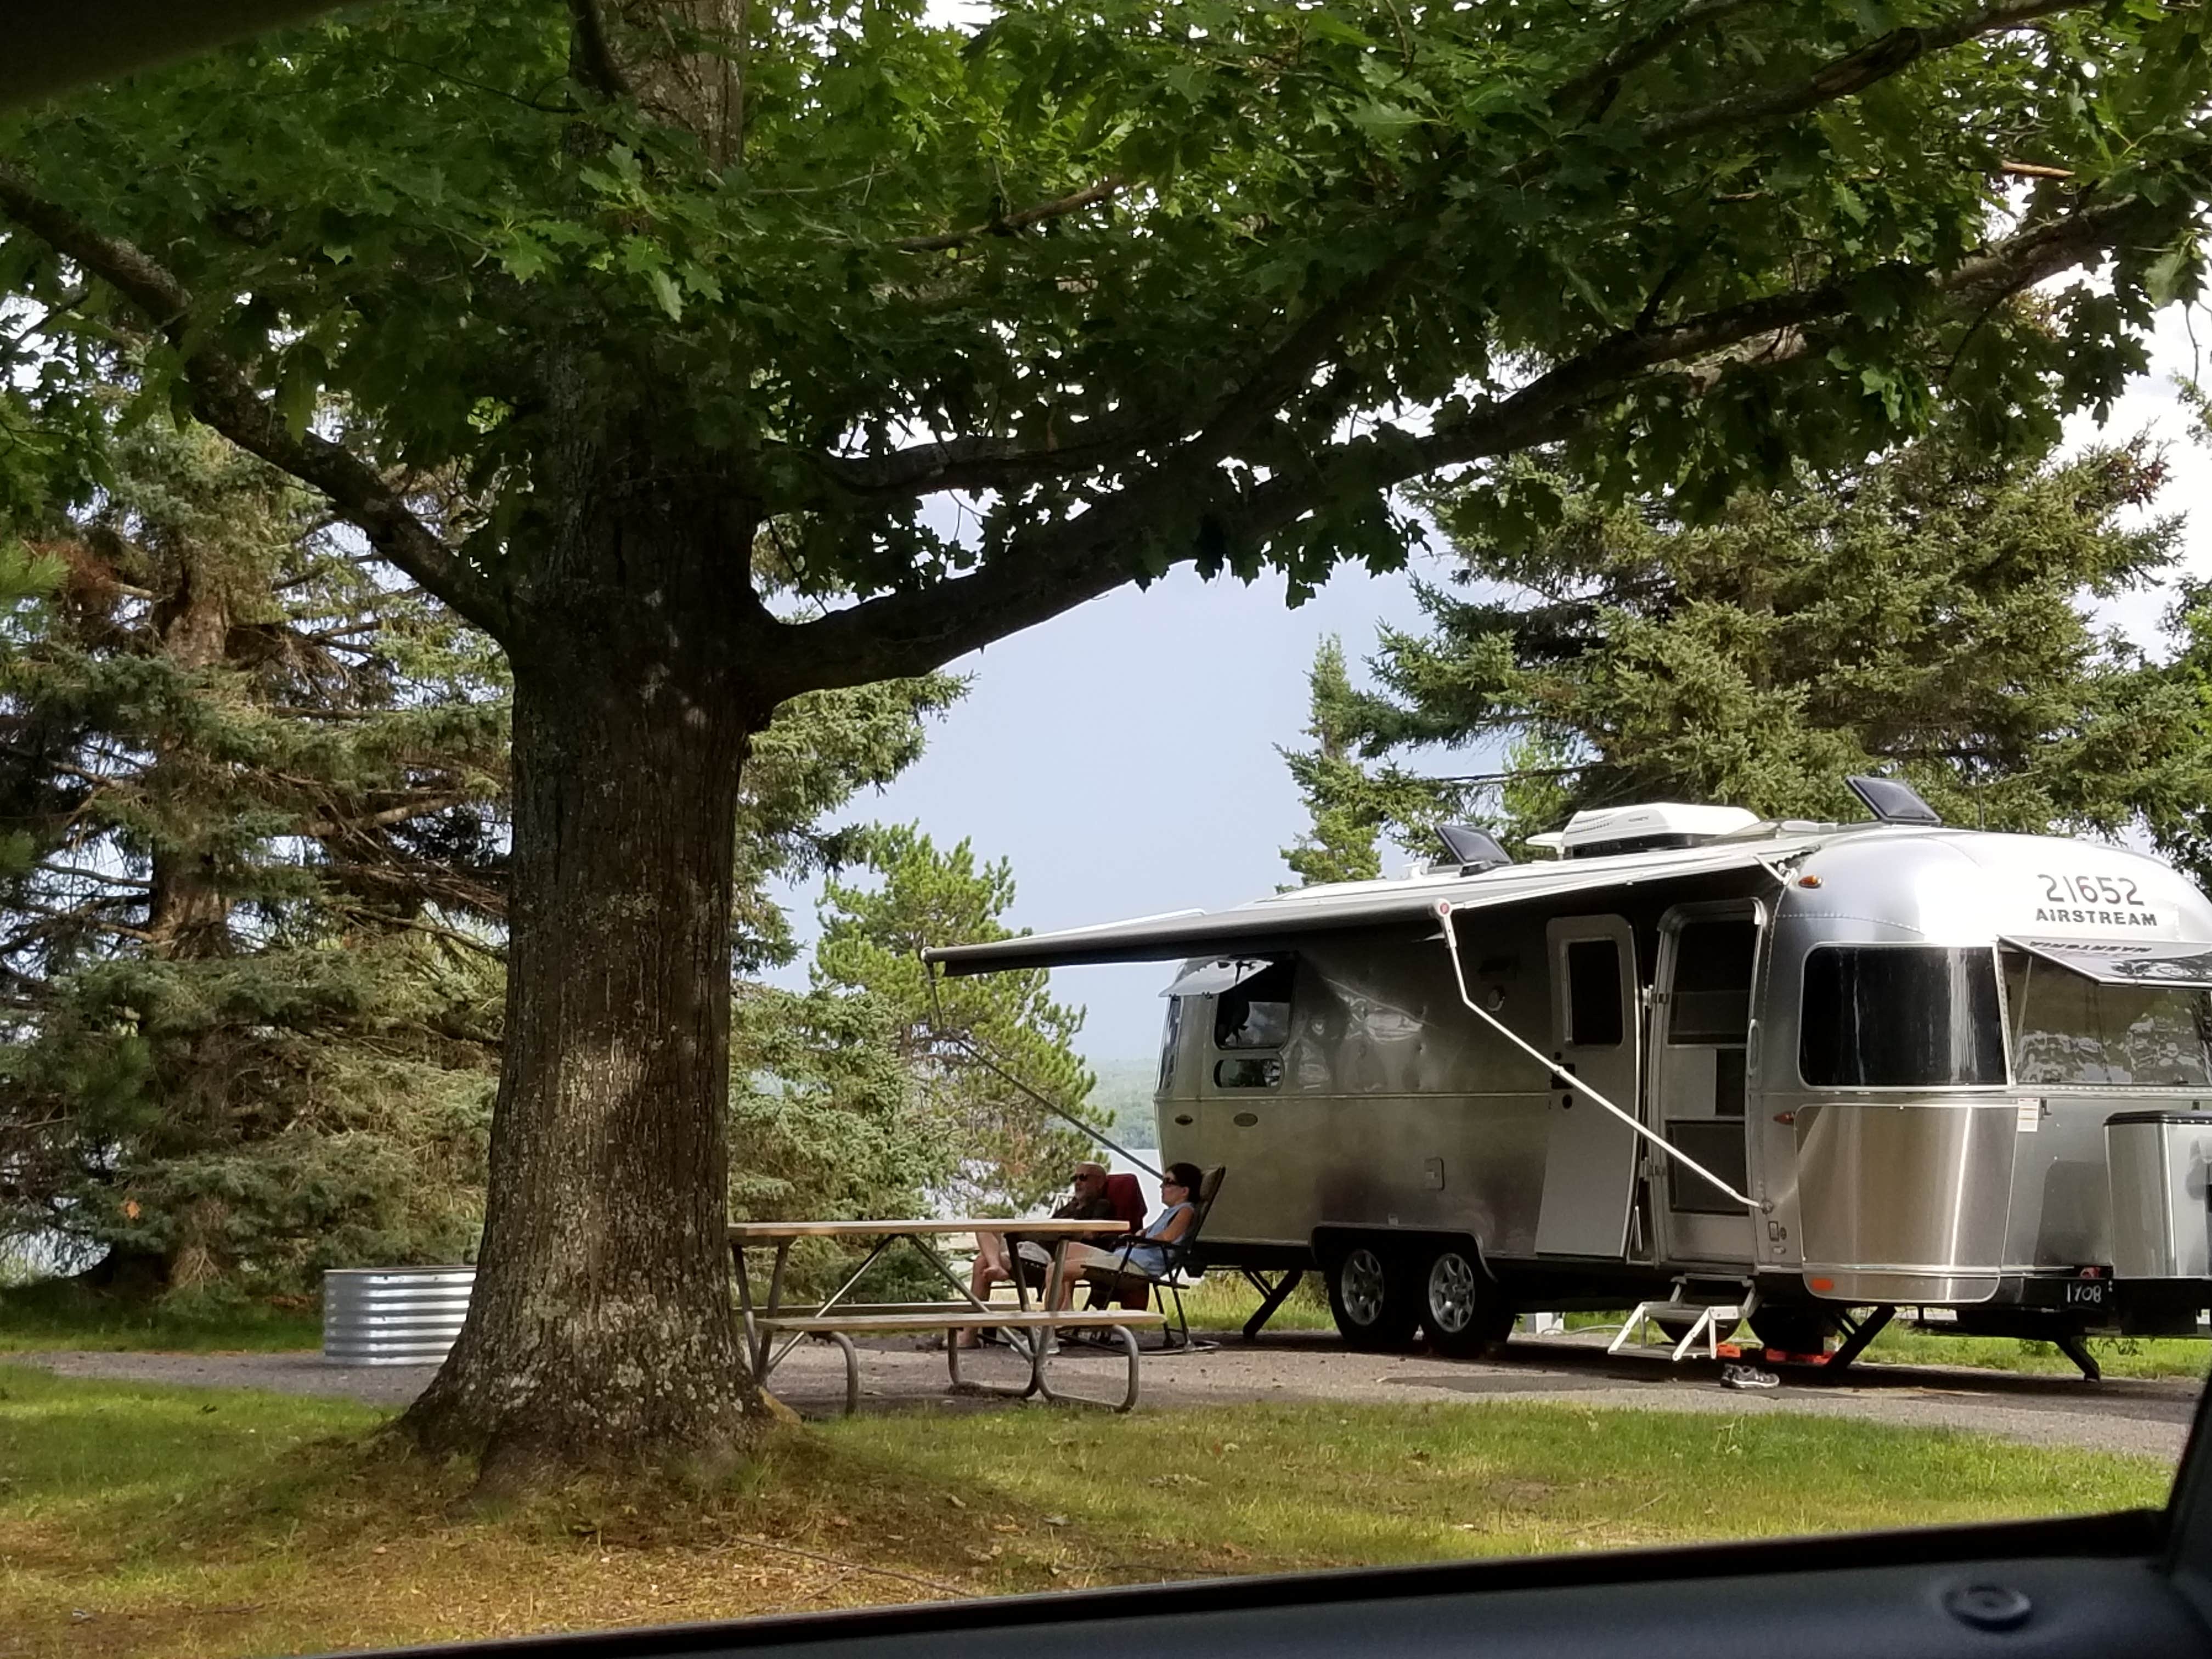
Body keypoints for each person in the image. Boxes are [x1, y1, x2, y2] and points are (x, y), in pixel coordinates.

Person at [960, 1162, 1118, 1347]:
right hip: (1025, 1246)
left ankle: (969, 1336)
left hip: (1044, 1256)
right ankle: (996, 1264)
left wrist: (1049, 1232)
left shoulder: (1101, 1205)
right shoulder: (1069, 1206)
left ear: (1099, 1183)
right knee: (982, 1219)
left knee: (981, 1262)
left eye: (1083, 1178)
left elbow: (1091, 1233)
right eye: (1074, 1178)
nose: (1077, 1183)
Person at [1054, 1162, 1204, 1309]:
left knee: (1056, 1269)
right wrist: (1143, 1233)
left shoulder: (1186, 1211)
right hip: (1124, 1259)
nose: (1162, 1187)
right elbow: (1152, 1233)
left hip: (1136, 1267)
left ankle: (1051, 1323)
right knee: (1068, 1249)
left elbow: (1167, 1237)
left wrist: (1140, 1241)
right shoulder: (1170, 1212)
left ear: (1185, 1191)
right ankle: (1066, 1309)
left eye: (1168, 1182)